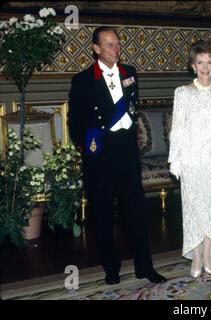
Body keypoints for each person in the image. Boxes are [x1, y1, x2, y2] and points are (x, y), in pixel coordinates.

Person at [67, 26, 166, 285]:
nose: (115, 49)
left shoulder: (129, 74)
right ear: (96, 49)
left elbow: (132, 109)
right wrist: (88, 144)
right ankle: (111, 269)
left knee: (136, 213)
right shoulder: (83, 80)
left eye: (117, 44)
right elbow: (74, 122)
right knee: (102, 216)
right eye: (109, 45)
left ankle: (145, 267)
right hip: (100, 155)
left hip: (126, 151)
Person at [168, 40, 211, 278]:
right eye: (200, 62)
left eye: (210, 62)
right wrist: (175, 159)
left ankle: (207, 254)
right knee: (194, 208)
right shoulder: (183, 93)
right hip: (191, 159)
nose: (205, 67)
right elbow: (178, 129)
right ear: (193, 66)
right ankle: (195, 255)